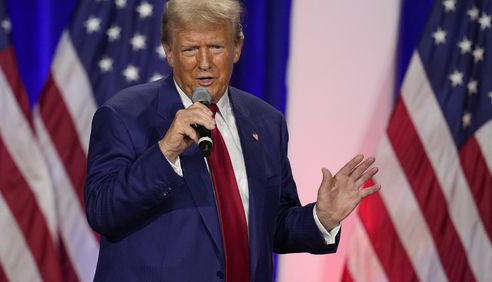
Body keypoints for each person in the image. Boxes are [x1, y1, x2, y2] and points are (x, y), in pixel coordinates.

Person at [84, 0, 381, 281]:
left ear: (236, 48)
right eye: (190, 50)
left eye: (215, 47)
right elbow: (102, 212)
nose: (204, 63)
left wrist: (322, 217)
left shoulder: (266, 122)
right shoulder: (125, 116)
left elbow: (273, 225)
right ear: (169, 52)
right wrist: (166, 152)